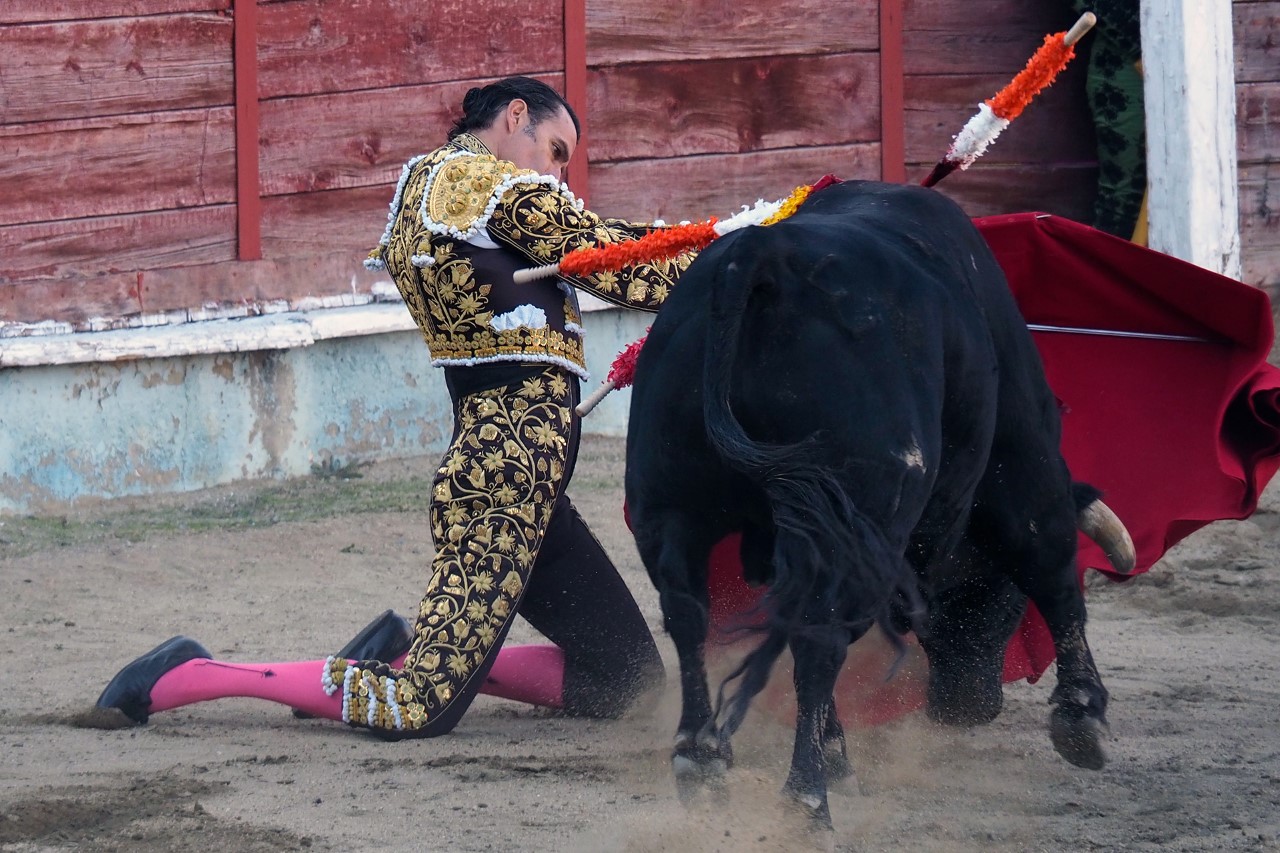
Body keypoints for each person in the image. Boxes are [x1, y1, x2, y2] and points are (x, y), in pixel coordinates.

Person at [94, 77, 696, 737]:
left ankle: (413, 651)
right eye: (554, 150)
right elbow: (617, 261)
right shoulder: (485, 185)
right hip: (504, 484)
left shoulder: (433, 188)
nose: (557, 173)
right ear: (515, 116)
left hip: (529, 487)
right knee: (416, 707)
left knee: (627, 678)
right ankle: (192, 676)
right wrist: (741, 245)